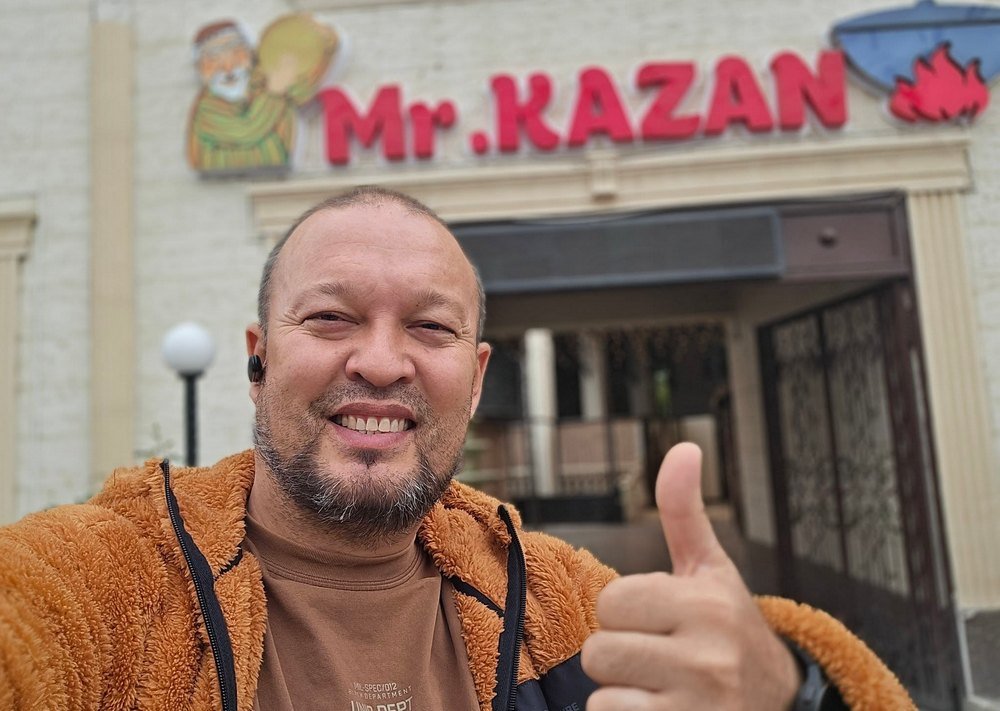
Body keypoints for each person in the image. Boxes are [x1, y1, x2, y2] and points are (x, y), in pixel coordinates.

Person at [0, 186, 914, 710]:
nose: (381, 360)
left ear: (474, 380)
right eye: (331, 316)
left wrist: (794, 693)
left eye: (430, 327)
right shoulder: (108, 586)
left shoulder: (567, 609)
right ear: (258, 358)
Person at [186, 20, 300, 173]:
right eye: (212, 58)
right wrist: (274, 94)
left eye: (236, 52)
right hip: (225, 183)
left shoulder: (261, 86)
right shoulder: (207, 107)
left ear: (251, 54)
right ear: (199, 67)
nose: (228, 67)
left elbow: (297, 98)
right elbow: (246, 131)